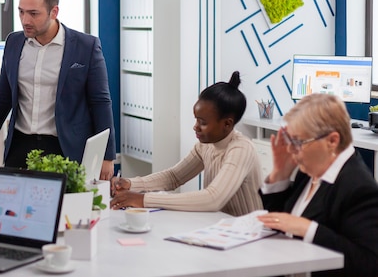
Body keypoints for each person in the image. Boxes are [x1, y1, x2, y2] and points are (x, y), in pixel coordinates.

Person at [0, 0, 116, 180]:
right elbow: (2, 96)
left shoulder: (85, 46)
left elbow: (100, 102)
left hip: (65, 148)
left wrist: (107, 156)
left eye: (33, 13)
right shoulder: (14, 42)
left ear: (54, 12)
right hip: (20, 146)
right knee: (16, 208)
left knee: (65, 210)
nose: (25, 20)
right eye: (21, 12)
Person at [110, 71, 263, 216]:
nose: (195, 127)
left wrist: (143, 200)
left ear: (227, 124)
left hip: (250, 235)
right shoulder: (205, 146)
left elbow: (213, 199)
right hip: (221, 230)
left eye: (202, 122)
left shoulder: (241, 149)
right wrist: (131, 184)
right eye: (196, 119)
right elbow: (174, 177)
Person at [257, 93, 378, 277]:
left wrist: (308, 229)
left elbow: (369, 264)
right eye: (290, 140)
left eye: (298, 142)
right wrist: (280, 175)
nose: (290, 149)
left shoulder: (359, 188)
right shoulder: (311, 170)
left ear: (332, 141)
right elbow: (282, 225)